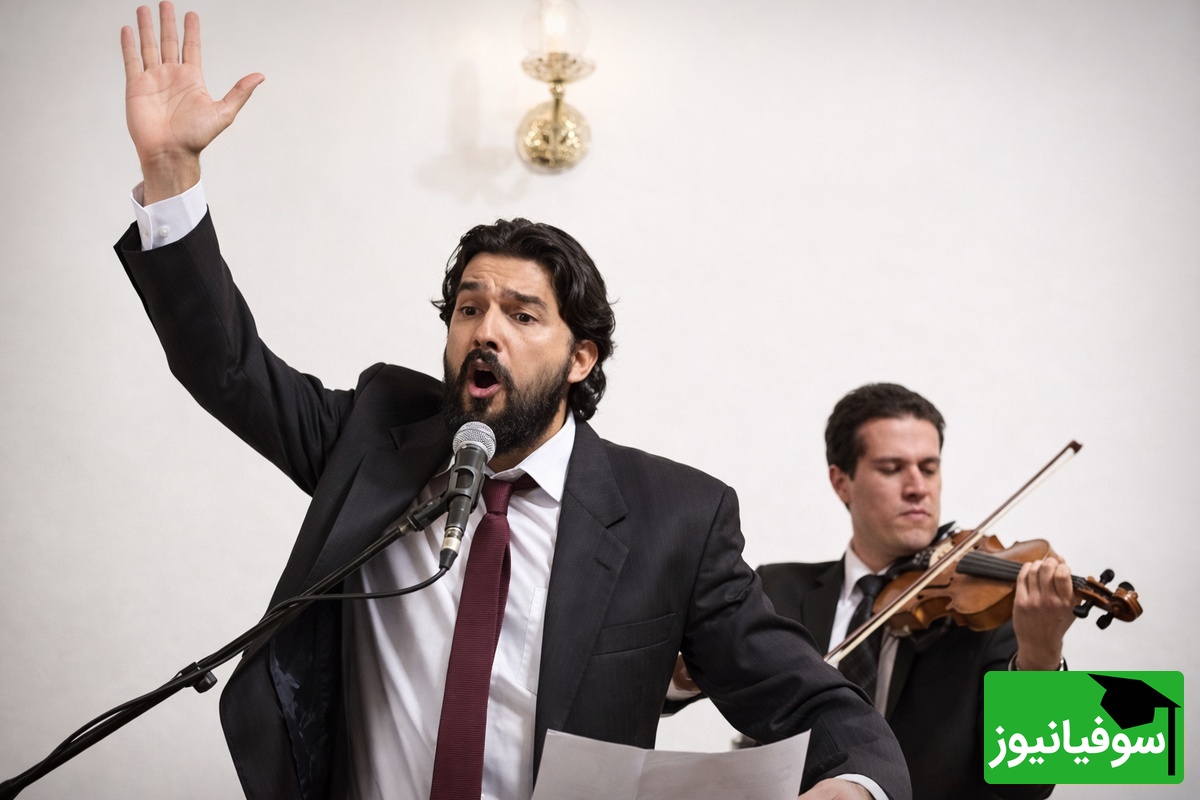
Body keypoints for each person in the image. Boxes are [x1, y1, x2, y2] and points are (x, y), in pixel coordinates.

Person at [113, 5, 910, 800]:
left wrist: (858, 783)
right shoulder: (372, 439)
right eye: (468, 308)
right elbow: (227, 368)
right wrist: (171, 173)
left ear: (580, 358)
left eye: (523, 315)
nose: (485, 330)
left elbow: (813, 700)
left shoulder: (675, 520)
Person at [754, 383, 1077, 800]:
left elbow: (1030, 785)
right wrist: (685, 672)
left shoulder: (990, 611)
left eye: (929, 468)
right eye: (892, 468)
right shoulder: (775, 590)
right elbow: (674, 691)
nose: (917, 487)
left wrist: (1041, 657)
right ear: (841, 482)